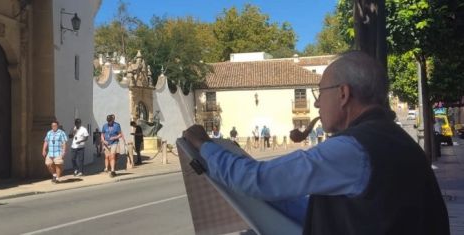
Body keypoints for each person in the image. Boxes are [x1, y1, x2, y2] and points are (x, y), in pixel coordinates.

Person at [183, 51, 449, 234]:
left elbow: (257, 180)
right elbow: (313, 207)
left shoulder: (353, 149)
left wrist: (205, 145)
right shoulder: (394, 139)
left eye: (320, 92)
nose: (317, 102)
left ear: (343, 94)